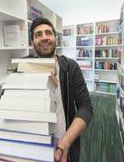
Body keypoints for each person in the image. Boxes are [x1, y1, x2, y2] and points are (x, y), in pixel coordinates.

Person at [30, 17, 93, 162]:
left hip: (63, 145)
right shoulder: (23, 68)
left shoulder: (70, 67)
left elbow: (86, 108)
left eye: (48, 33)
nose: (44, 37)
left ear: (56, 39)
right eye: (38, 34)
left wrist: (66, 141)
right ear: (32, 42)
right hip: (32, 146)